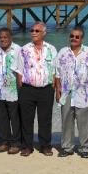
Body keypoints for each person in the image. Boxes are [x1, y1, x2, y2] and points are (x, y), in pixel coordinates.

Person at [12, 22, 58, 157]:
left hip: (46, 89)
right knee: (26, 119)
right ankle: (27, 146)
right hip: (27, 89)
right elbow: (19, 71)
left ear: (44, 33)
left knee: (45, 119)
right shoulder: (24, 49)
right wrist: (21, 89)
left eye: (37, 31)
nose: (33, 33)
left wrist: (54, 86)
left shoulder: (52, 49)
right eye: (32, 30)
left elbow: (55, 70)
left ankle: (45, 145)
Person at [54, 26, 88, 158]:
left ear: (82, 39)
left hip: (83, 94)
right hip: (66, 93)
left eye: (77, 37)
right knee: (66, 122)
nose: (74, 38)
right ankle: (67, 147)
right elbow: (57, 73)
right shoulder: (63, 52)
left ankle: (85, 148)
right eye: (72, 36)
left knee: (84, 123)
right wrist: (57, 90)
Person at [0, 28, 22, 154]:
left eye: (5, 37)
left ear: (11, 38)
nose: (3, 39)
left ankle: (16, 143)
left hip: (13, 91)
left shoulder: (18, 50)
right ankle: (4, 142)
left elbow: (20, 71)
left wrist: (21, 90)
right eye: (1, 37)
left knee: (15, 118)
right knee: (0, 118)